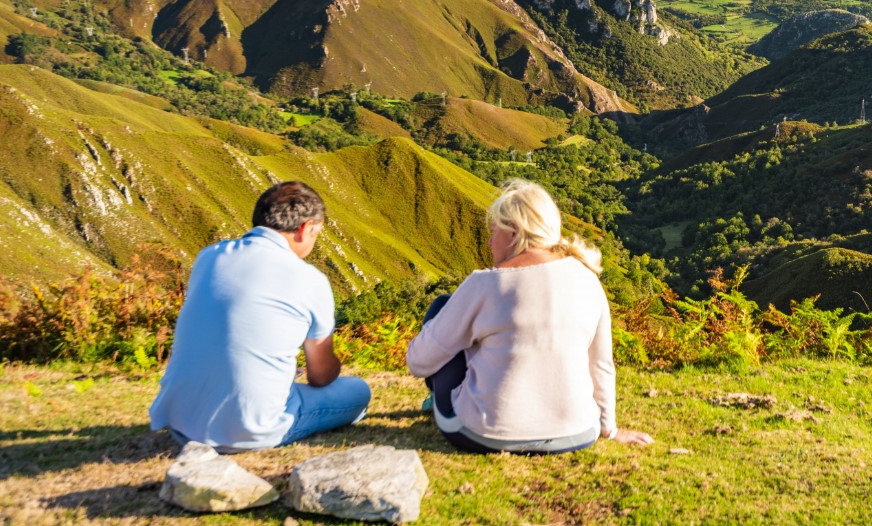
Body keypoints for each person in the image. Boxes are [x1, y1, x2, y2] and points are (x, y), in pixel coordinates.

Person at [406, 179, 653, 454]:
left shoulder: (484, 284)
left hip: (484, 434)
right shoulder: (588, 278)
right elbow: (601, 364)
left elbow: (418, 362)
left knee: (442, 305)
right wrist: (609, 429)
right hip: (579, 432)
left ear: (514, 231)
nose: (489, 241)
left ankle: (442, 400)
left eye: (494, 231)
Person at [149, 181, 370, 451]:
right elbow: (320, 376)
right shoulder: (309, 278)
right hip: (253, 429)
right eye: (316, 234)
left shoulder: (208, 257)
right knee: (358, 391)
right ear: (305, 228)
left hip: (182, 424)